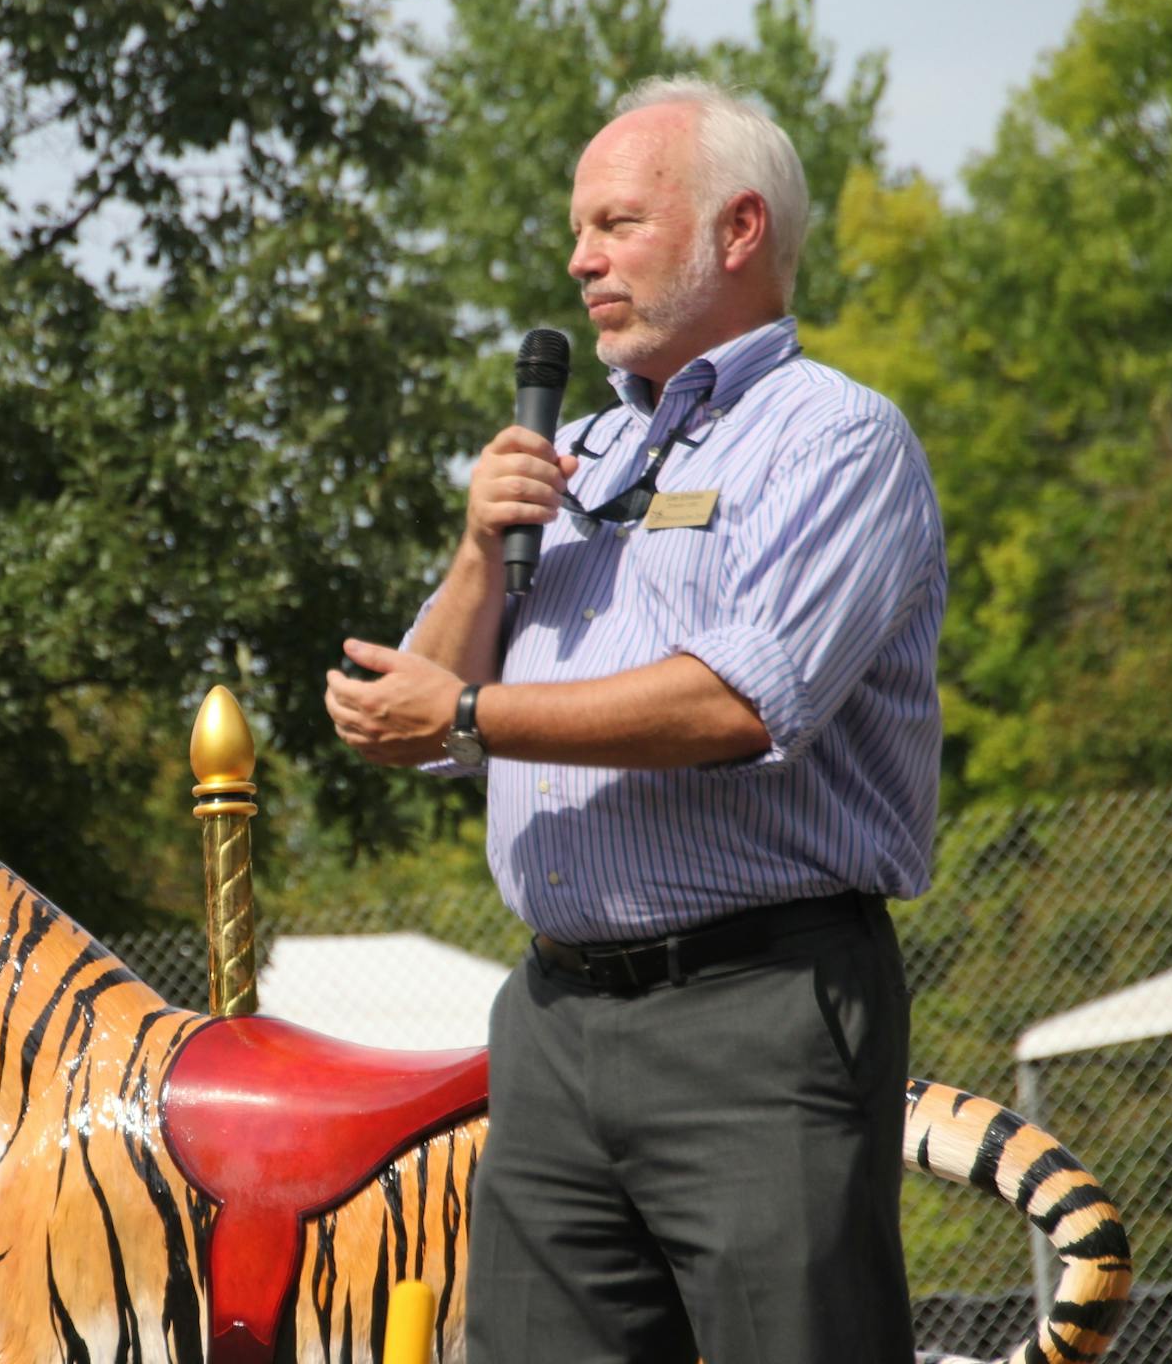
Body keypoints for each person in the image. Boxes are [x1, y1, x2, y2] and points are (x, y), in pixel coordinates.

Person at [321, 76, 944, 1364]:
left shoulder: (836, 442)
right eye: (577, 227)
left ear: (738, 230)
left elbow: (734, 701)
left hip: (755, 1014)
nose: (578, 256)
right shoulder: (581, 455)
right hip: (552, 1020)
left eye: (616, 222)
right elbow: (414, 719)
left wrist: (478, 712)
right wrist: (482, 549)